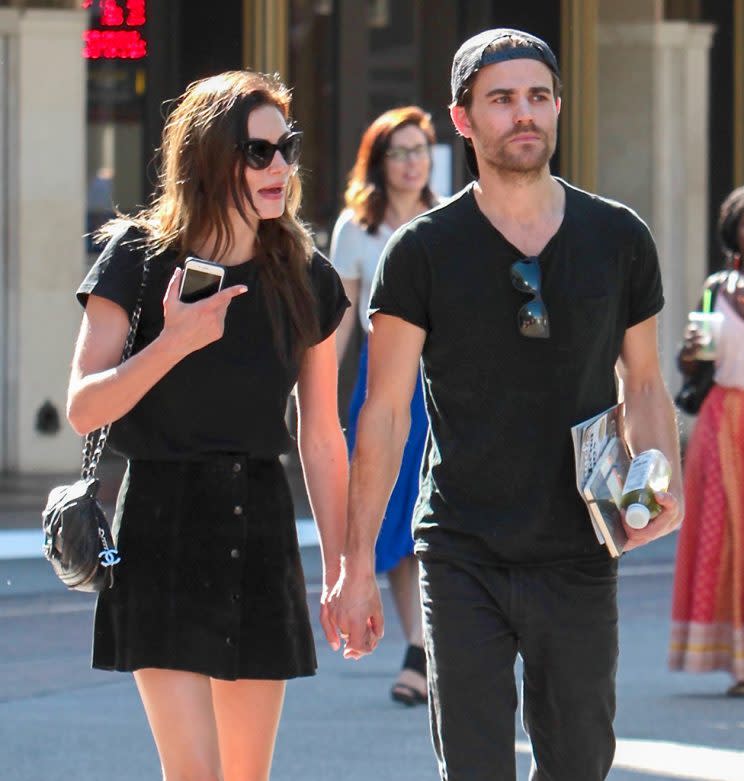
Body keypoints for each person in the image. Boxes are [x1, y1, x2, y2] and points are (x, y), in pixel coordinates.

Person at [328, 28, 683, 781]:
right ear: (462, 119)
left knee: (579, 762)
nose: (524, 115)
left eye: (537, 97)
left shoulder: (618, 237)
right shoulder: (421, 250)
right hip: (463, 550)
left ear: (556, 107)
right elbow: (384, 414)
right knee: (476, 767)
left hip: (581, 549)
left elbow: (645, 381)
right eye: (501, 100)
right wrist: (357, 563)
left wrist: (658, 479)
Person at [66, 70, 349, 781]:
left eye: (286, 147)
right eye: (259, 152)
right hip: (161, 519)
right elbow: (83, 407)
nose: (280, 165)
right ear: (209, 157)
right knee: (193, 773)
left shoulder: (304, 275)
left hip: (258, 520)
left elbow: (321, 433)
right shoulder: (135, 259)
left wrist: (345, 567)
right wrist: (173, 342)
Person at [329, 106, 437, 705]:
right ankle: (421, 649)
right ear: (378, 162)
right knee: (390, 520)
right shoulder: (357, 228)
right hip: (383, 383)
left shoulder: (451, 218)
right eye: (398, 151)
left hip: (443, 382)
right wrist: (313, 393)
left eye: (420, 149)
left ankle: (430, 651)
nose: (411, 162)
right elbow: (343, 323)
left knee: (431, 522)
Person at [670, 186, 744, 696]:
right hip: (723, 422)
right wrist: (693, 349)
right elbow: (691, 362)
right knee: (726, 539)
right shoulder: (716, 289)